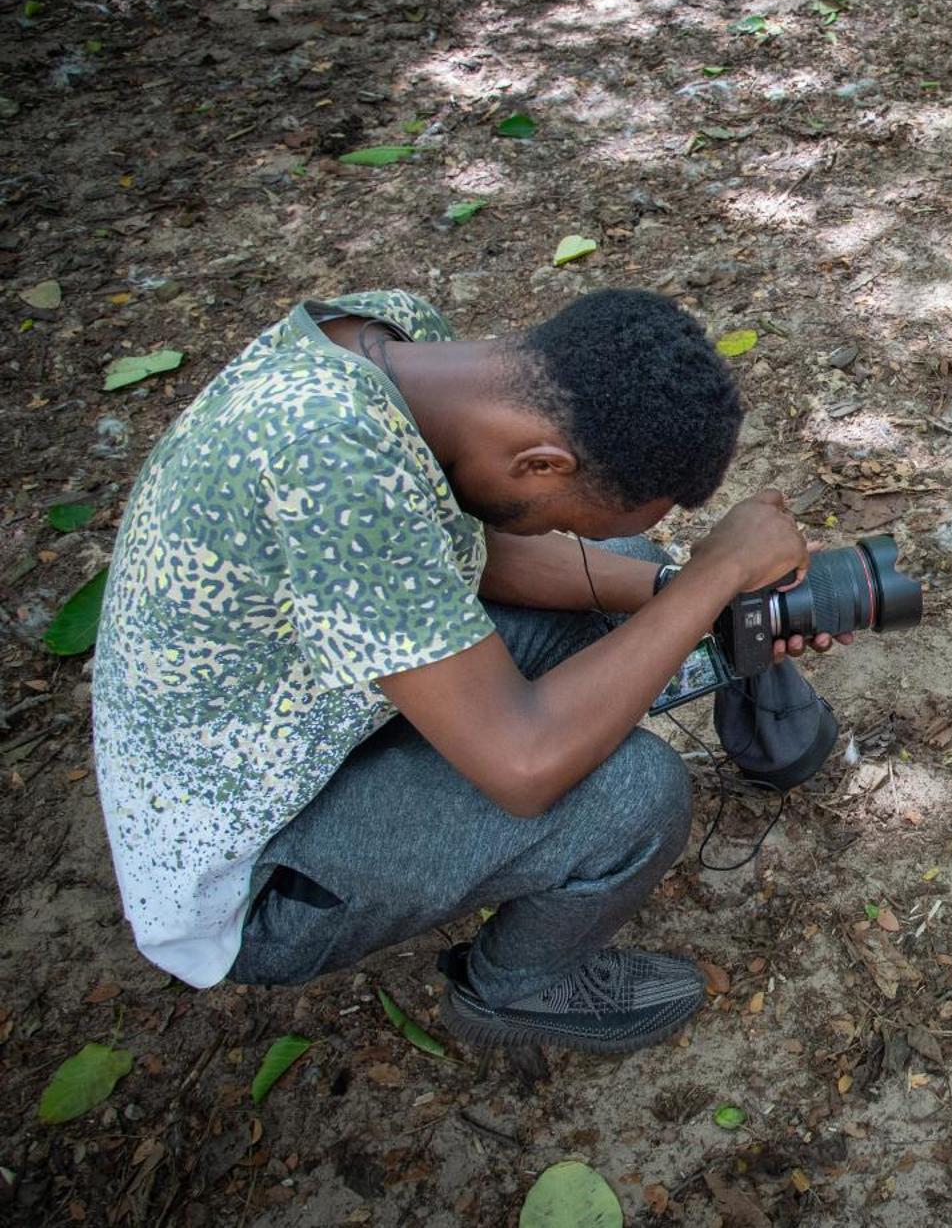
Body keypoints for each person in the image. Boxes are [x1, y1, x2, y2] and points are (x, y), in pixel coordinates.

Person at [91, 288, 842, 1054]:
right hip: (248, 872)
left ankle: (685, 633)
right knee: (636, 794)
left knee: (629, 573)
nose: (556, 530)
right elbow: (524, 764)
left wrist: (683, 595)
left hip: (309, 716)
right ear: (542, 460)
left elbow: (463, 550)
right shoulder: (329, 455)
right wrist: (711, 576)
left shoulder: (396, 339)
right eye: (559, 515)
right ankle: (515, 988)